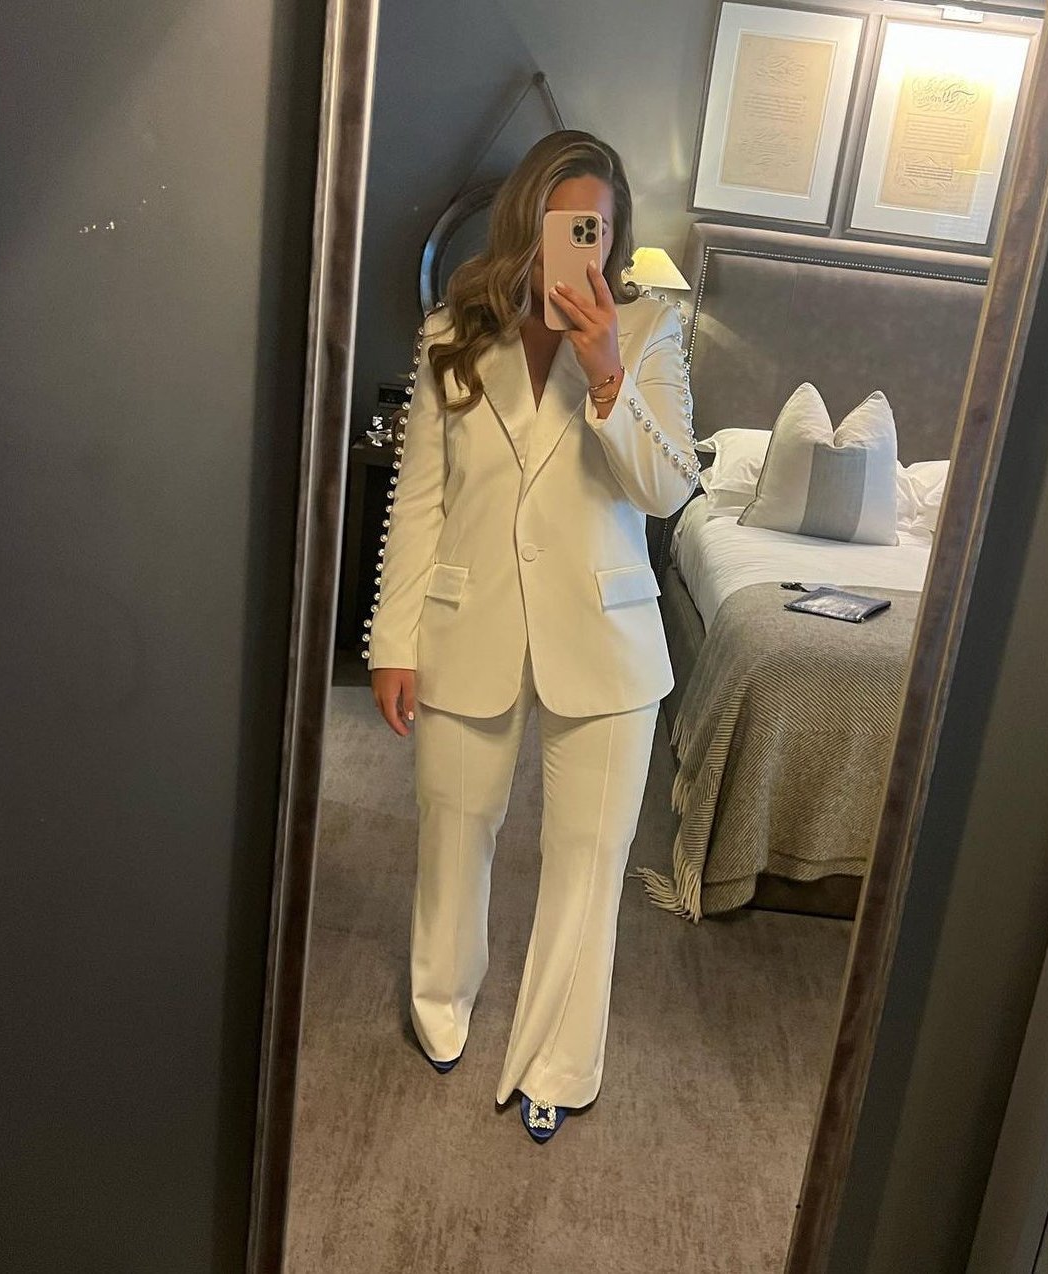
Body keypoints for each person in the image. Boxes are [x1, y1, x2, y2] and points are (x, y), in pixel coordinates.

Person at [365, 130, 698, 1143]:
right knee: (453, 827)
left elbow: (668, 488)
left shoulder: (648, 333)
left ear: (614, 235)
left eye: (594, 228)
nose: (579, 247)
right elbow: (419, 500)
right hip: (465, 621)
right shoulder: (454, 332)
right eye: (563, 225)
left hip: (604, 636)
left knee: (589, 856)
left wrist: (606, 373)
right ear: (527, 222)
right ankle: (440, 1004)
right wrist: (392, 638)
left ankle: (559, 1059)